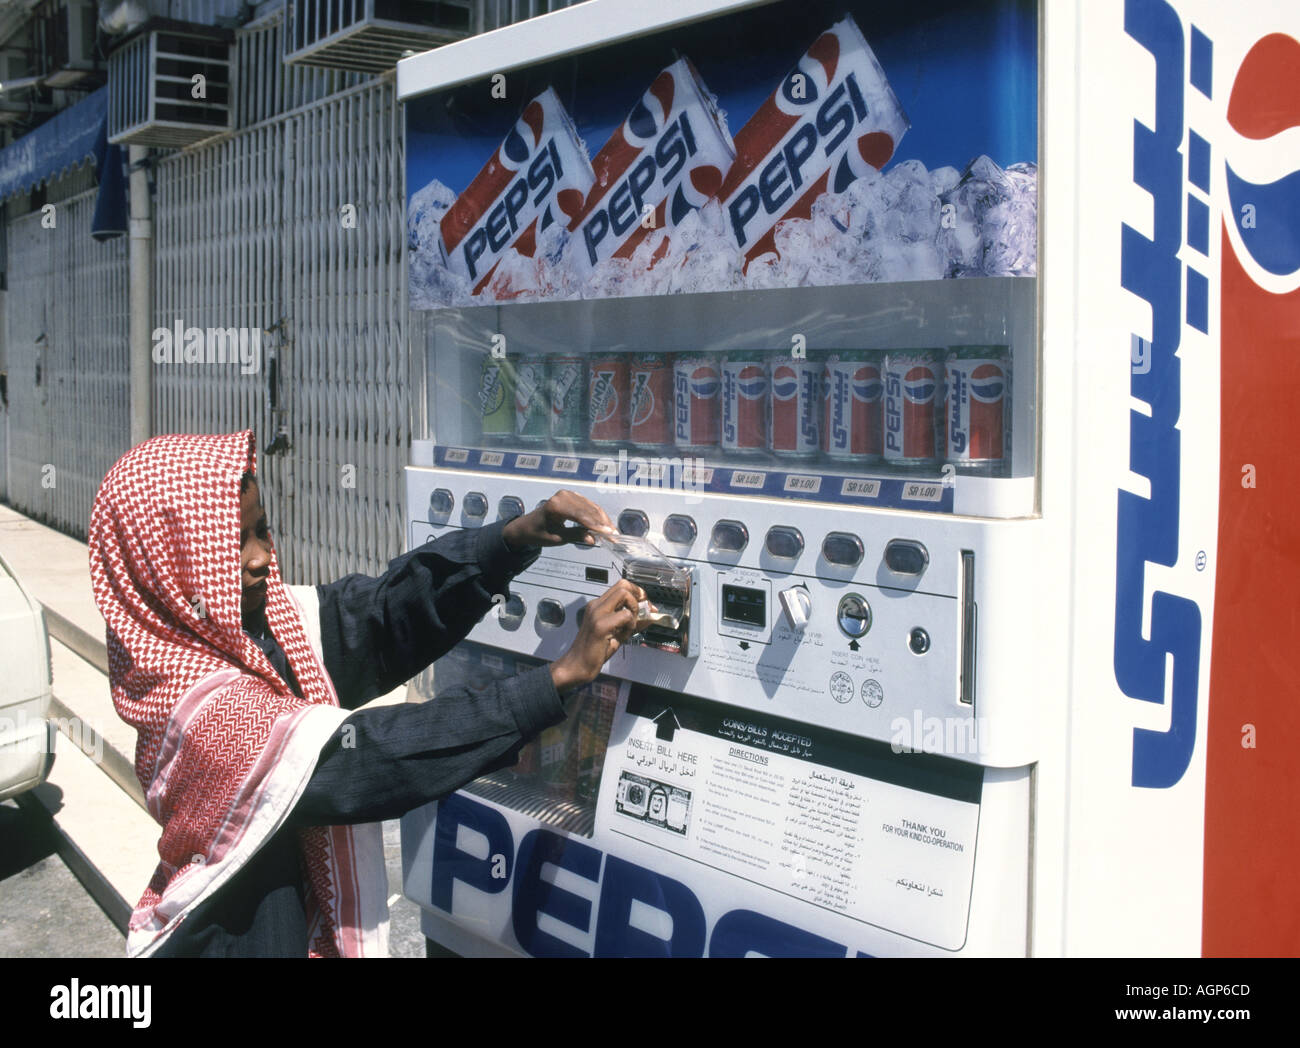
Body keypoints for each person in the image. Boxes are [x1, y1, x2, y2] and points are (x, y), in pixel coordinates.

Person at [88, 430, 644, 957]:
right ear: (167, 566)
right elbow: (365, 759)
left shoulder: (260, 626)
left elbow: (377, 620)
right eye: (233, 543)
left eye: (262, 530)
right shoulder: (196, 709)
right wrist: (556, 678)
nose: (260, 557)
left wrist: (511, 540)